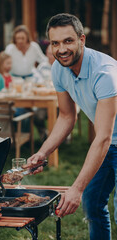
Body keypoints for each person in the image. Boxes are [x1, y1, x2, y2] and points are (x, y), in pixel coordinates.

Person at [25, 13, 117, 240]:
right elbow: (67, 116)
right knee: (92, 204)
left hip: (105, 140)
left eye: (68, 41)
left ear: (81, 40)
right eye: (55, 43)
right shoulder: (59, 69)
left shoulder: (105, 74)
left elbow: (103, 137)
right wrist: (43, 152)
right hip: (107, 143)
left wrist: (75, 188)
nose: (61, 49)